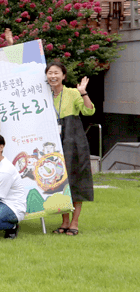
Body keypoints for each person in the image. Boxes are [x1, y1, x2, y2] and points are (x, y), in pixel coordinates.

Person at [46, 60, 94, 235]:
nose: (53, 76)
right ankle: (64, 221)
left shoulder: (73, 93)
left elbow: (89, 111)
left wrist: (83, 93)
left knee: (76, 179)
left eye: (56, 72)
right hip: (52, 141)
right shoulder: (44, 95)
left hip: (73, 140)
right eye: (50, 73)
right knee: (59, 180)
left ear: (63, 75)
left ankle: (75, 222)